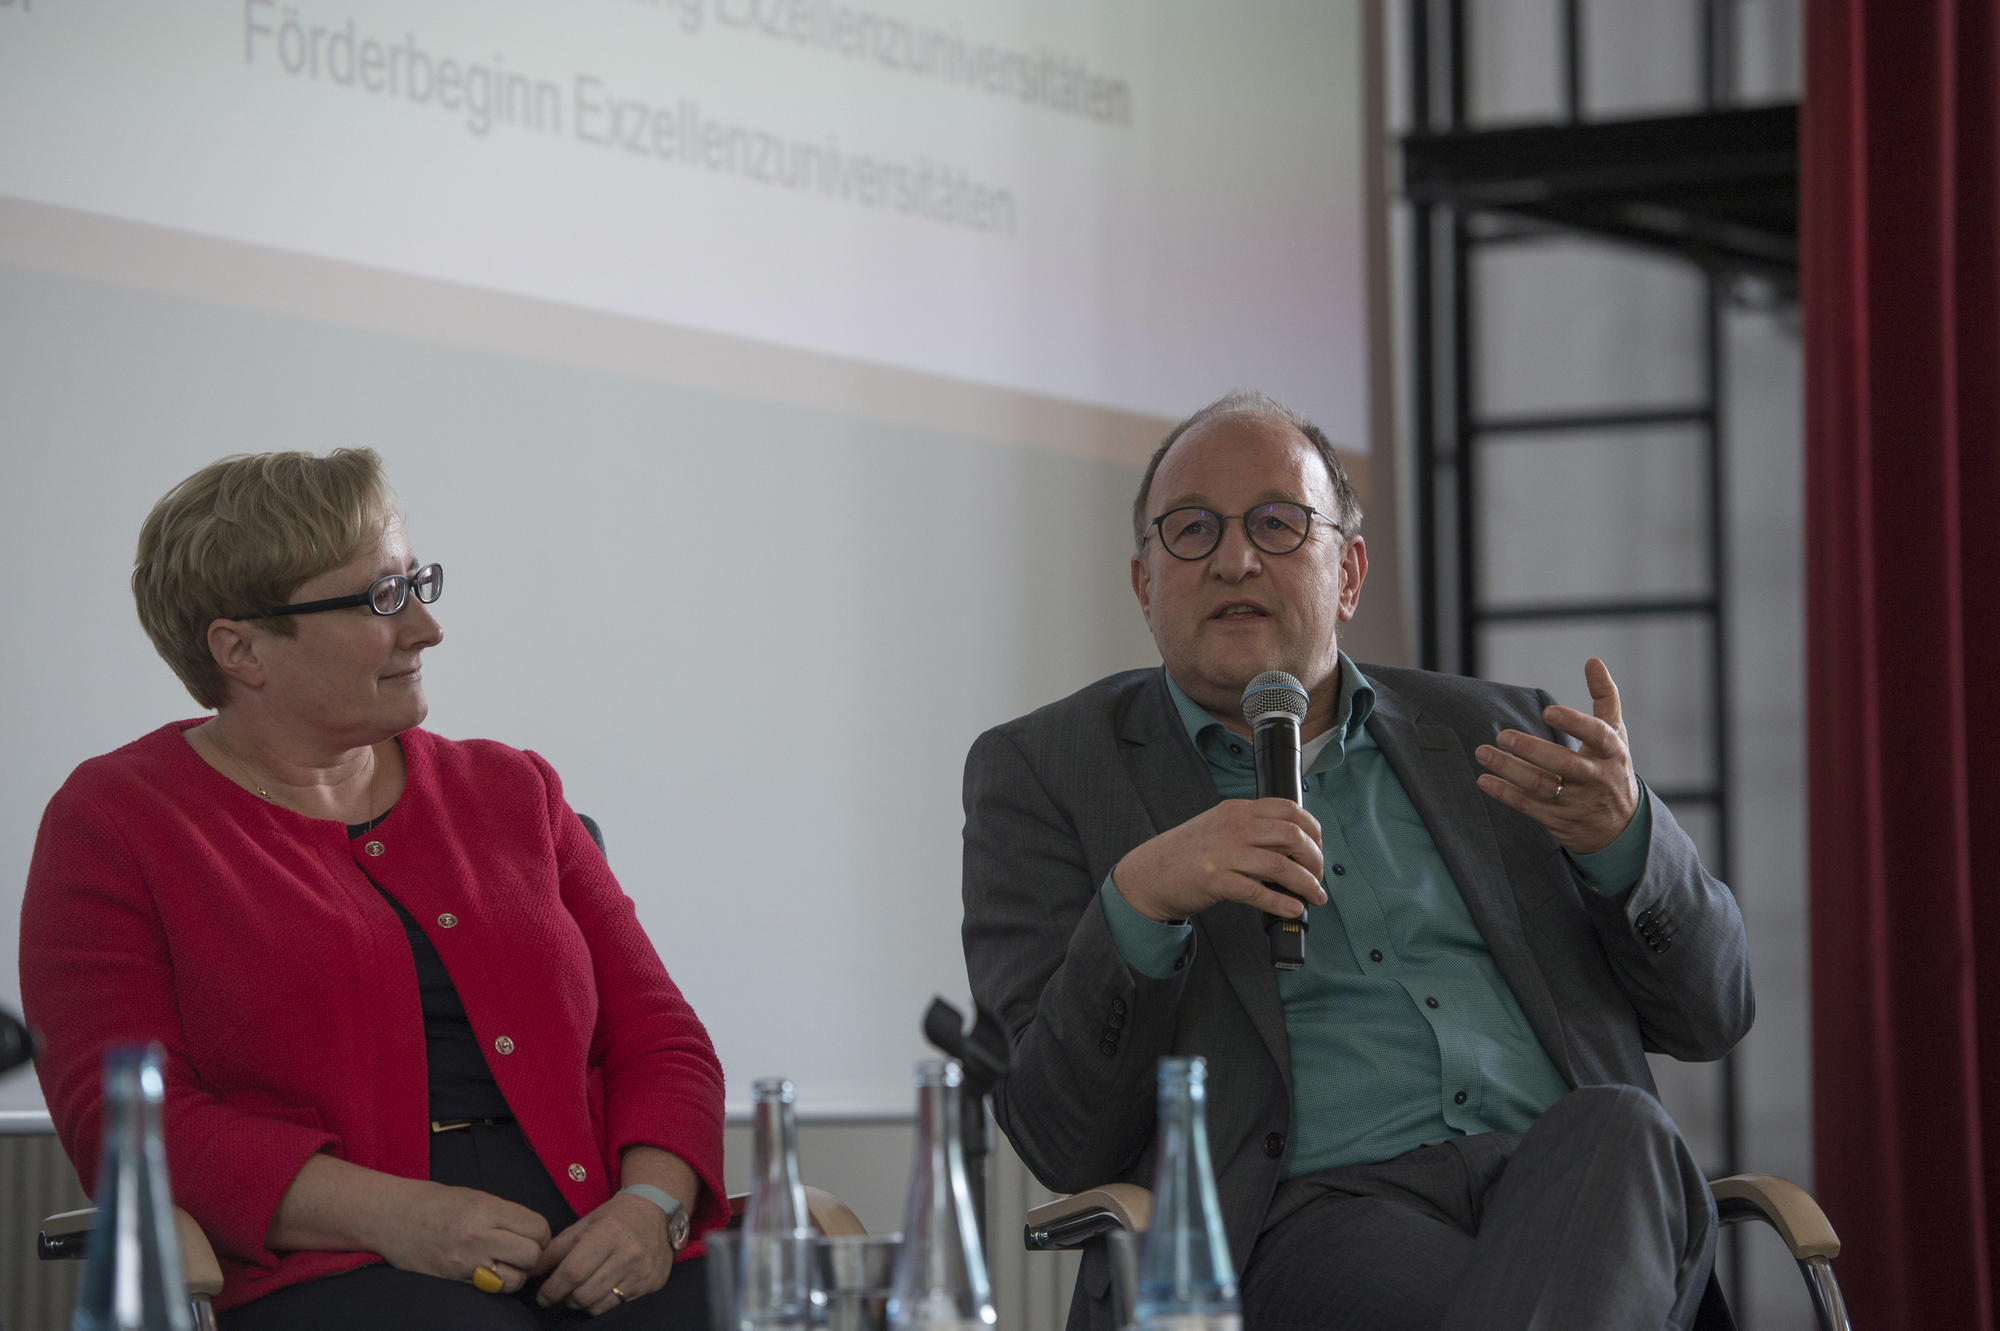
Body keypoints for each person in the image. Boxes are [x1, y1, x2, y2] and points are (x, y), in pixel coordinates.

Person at [961, 391, 1754, 1331]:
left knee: (1622, 1127)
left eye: (1276, 522)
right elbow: (1060, 1132)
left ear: (1349, 572)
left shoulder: (1500, 736)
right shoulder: (1045, 772)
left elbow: (1713, 1012)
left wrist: (1628, 845)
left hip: (1575, 1189)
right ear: (1144, 586)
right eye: (1191, 530)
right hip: (1306, 1226)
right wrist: (1139, 902)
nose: (1234, 558)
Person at [21, 449, 725, 1329]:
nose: (426, 628)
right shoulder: (118, 820)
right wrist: (402, 1216)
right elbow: (125, 1125)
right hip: (343, 1268)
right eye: (382, 599)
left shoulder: (515, 789)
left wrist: (650, 1211)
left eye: (417, 583)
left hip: (606, 1244)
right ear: (240, 648)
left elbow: (662, 1040)